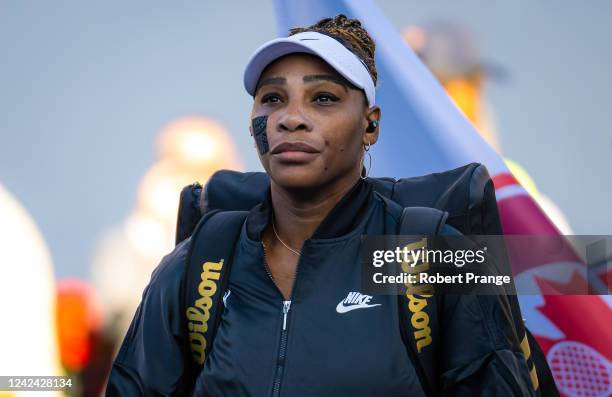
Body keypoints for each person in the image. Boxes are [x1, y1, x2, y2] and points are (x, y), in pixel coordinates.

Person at [106, 15, 535, 396]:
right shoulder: (200, 262)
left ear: (371, 125)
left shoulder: (429, 253)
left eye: (323, 98)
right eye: (272, 98)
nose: (291, 117)